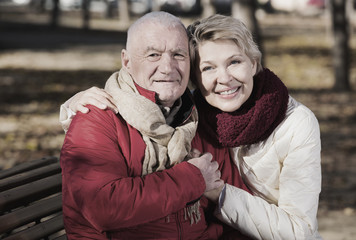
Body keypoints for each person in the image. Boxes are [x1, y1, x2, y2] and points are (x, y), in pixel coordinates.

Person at [62, 14, 322, 239]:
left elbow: (236, 216)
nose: (167, 67)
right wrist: (194, 178)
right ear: (127, 61)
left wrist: (211, 188)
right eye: (153, 54)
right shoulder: (98, 117)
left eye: (178, 55)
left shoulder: (197, 119)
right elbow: (102, 207)